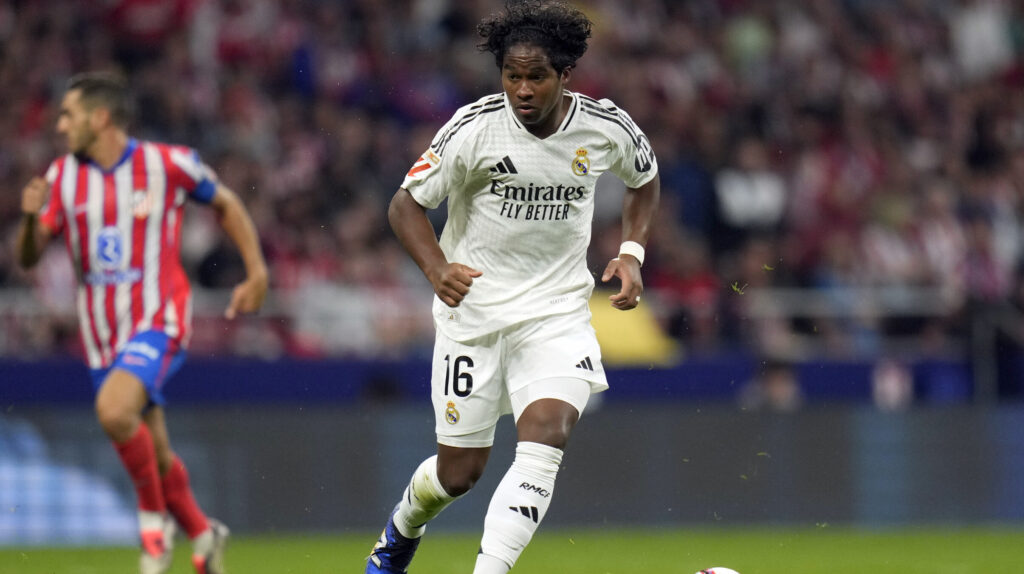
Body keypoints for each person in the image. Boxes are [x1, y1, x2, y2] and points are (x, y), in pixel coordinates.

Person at [365, 2, 659, 573]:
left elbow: (643, 180)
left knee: (546, 438)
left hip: (556, 316)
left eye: (536, 76)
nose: (522, 89)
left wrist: (631, 253)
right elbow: (405, 204)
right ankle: (401, 530)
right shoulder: (474, 129)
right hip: (473, 319)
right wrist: (436, 270)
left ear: (565, 74)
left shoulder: (605, 128)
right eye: (512, 76)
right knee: (458, 475)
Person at [15, 71, 268, 574]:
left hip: (159, 319)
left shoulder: (166, 164)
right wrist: (28, 218)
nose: (60, 124)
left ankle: (153, 530)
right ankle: (202, 533)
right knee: (153, 449)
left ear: (100, 117)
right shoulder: (63, 176)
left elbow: (226, 202)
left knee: (113, 411)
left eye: (69, 114)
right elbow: (29, 256)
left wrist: (257, 270)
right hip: (101, 337)